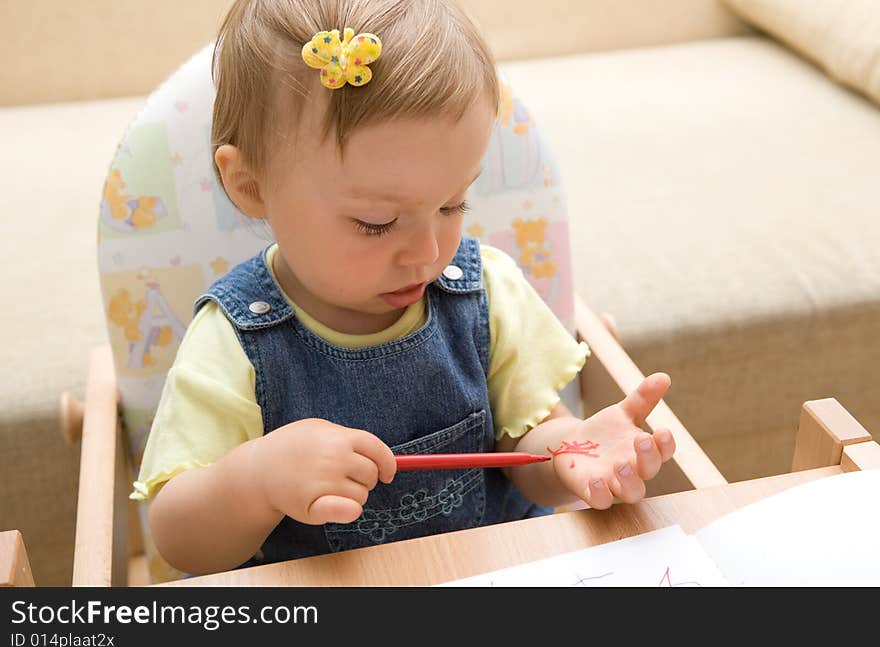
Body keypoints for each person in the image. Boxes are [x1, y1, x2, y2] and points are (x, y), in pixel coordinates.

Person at [131, 0, 677, 576]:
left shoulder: (483, 289)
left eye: (451, 204)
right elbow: (179, 542)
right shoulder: (234, 342)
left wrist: (573, 452)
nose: (426, 253)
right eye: (376, 223)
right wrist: (255, 479)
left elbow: (529, 453)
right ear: (250, 186)